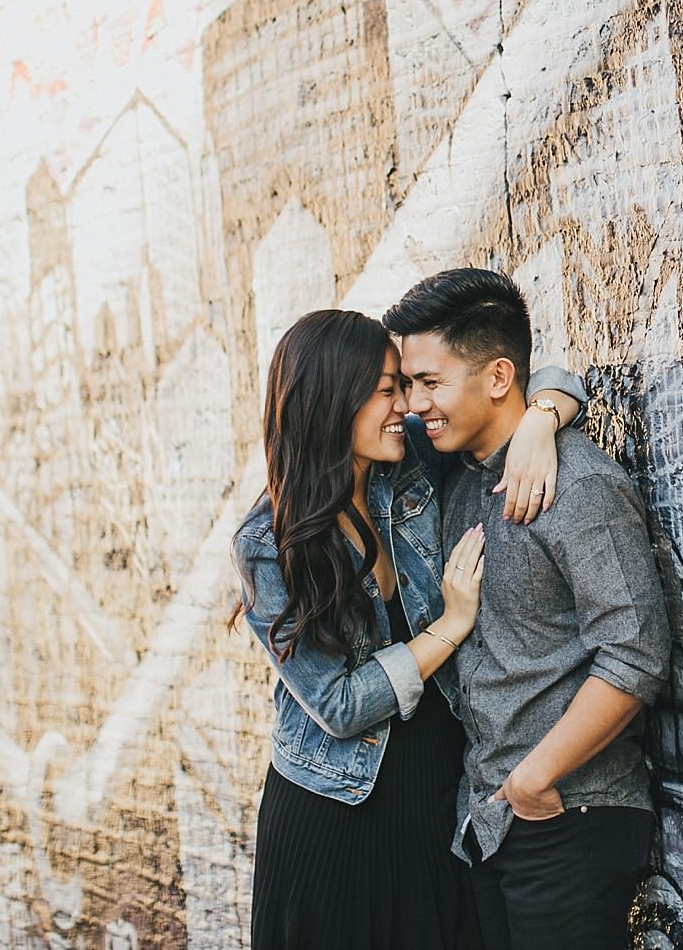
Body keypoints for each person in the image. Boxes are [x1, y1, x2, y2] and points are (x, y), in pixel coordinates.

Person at [231, 308, 585, 950]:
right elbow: (338, 706)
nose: (407, 404)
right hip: (335, 811)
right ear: (331, 401)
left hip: (436, 792)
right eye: (387, 389)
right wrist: (449, 627)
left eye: (406, 385)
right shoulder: (269, 543)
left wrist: (540, 421)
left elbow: (537, 380)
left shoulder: (411, 463)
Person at [382, 269, 673, 950]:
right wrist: (546, 407)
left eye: (429, 381)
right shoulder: (454, 478)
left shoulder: (580, 487)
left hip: (568, 812)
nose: (415, 403)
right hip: (489, 818)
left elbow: (635, 650)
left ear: (497, 376)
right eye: (407, 383)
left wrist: (536, 778)